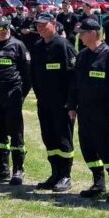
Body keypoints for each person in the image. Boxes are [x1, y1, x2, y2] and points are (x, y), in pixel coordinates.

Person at [67, 18, 109, 203]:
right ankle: (98, 183)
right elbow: (75, 83)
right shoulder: (83, 55)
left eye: (83, 33)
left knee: (106, 147)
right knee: (88, 147)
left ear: (93, 33)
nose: (80, 36)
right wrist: (71, 105)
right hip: (84, 110)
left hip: (103, 111)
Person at [29, 13, 77, 191]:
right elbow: (33, 73)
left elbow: (74, 77)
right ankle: (55, 173)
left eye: (44, 24)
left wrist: (71, 103)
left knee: (63, 138)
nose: (40, 28)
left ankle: (65, 175)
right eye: (38, 25)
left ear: (54, 24)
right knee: (49, 138)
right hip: (44, 102)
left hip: (62, 104)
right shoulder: (38, 46)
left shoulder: (63, 46)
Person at [0, 17, 33, 185]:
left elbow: (27, 75)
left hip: (13, 93)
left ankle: (18, 169)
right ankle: (2, 167)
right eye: (0, 29)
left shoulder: (18, 45)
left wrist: (20, 95)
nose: (4, 31)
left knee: (15, 130)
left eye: (6, 28)